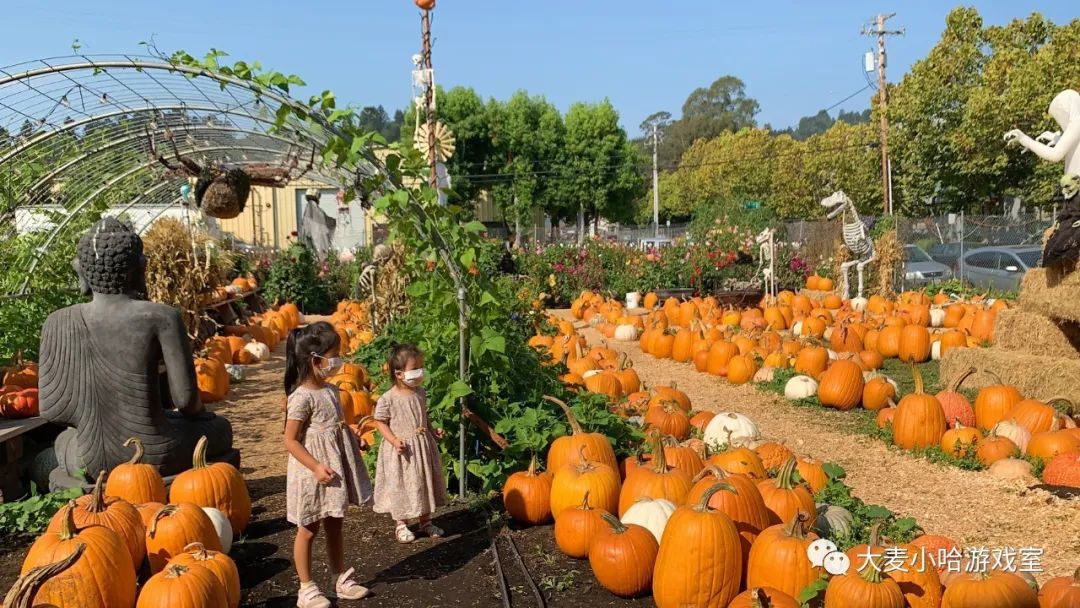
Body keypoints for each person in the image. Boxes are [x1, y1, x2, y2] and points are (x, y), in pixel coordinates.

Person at [283, 322, 373, 607]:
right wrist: (315, 466)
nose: (339, 362)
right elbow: (290, 440)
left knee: (335, 522)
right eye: (334, 355)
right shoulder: (301, 397)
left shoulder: (332, 391)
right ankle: (306, 588)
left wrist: (352, 437)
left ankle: (340, 578)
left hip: (333, 469)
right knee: (308, 528)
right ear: (315, 359)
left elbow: (336, 426)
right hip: (313, 472)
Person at [373, 343, 448, 543]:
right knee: (402, 485)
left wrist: (432, 430)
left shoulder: (420, 393)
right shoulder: (388, 399)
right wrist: (393, 440)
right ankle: (401, 524)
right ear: (398, 374)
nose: (420, 372)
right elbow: (380, 422)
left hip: (422, 446)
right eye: (415, 368)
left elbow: (424, 415)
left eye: (421, 367)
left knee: (423, 482)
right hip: (402, 450)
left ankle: (425, 521)